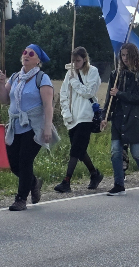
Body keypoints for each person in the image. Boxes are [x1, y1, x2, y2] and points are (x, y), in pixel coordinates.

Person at [0, 44, 56, 211]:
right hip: (15, 126)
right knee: (13, 162)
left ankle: (21, 199)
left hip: (34, 126)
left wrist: (47, 128)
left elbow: (48, 105)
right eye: (24, 52)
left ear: (38, 60)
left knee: (25, 160)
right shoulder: (15, 77)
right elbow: (4, 100)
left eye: (31, 53)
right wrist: (2, 83)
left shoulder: (42, 78)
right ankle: (34, 182)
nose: (26, 55)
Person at [103, 43, 139, 195]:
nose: (125, 58)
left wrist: (120, 93)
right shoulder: (116, 74)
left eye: (127, 55)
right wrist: (105, 116)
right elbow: (110, 98)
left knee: (136, 152)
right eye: (122, 55)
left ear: (134, 56)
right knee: (115, 151)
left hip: (135, 118)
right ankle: (119, 184)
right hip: (119, 117)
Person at [55, 47, 103, 193]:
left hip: (86, 116)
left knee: (75, 149)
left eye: (78, 60)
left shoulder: (92, 72)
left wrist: (74, 81)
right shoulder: (69, 74)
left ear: (84, 59)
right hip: (72, 117)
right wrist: (66, 114)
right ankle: (94, 173)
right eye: (73, 61)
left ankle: (66, 181)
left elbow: (88, 92)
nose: (75, 64)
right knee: (80, 150)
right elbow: (63, 94)